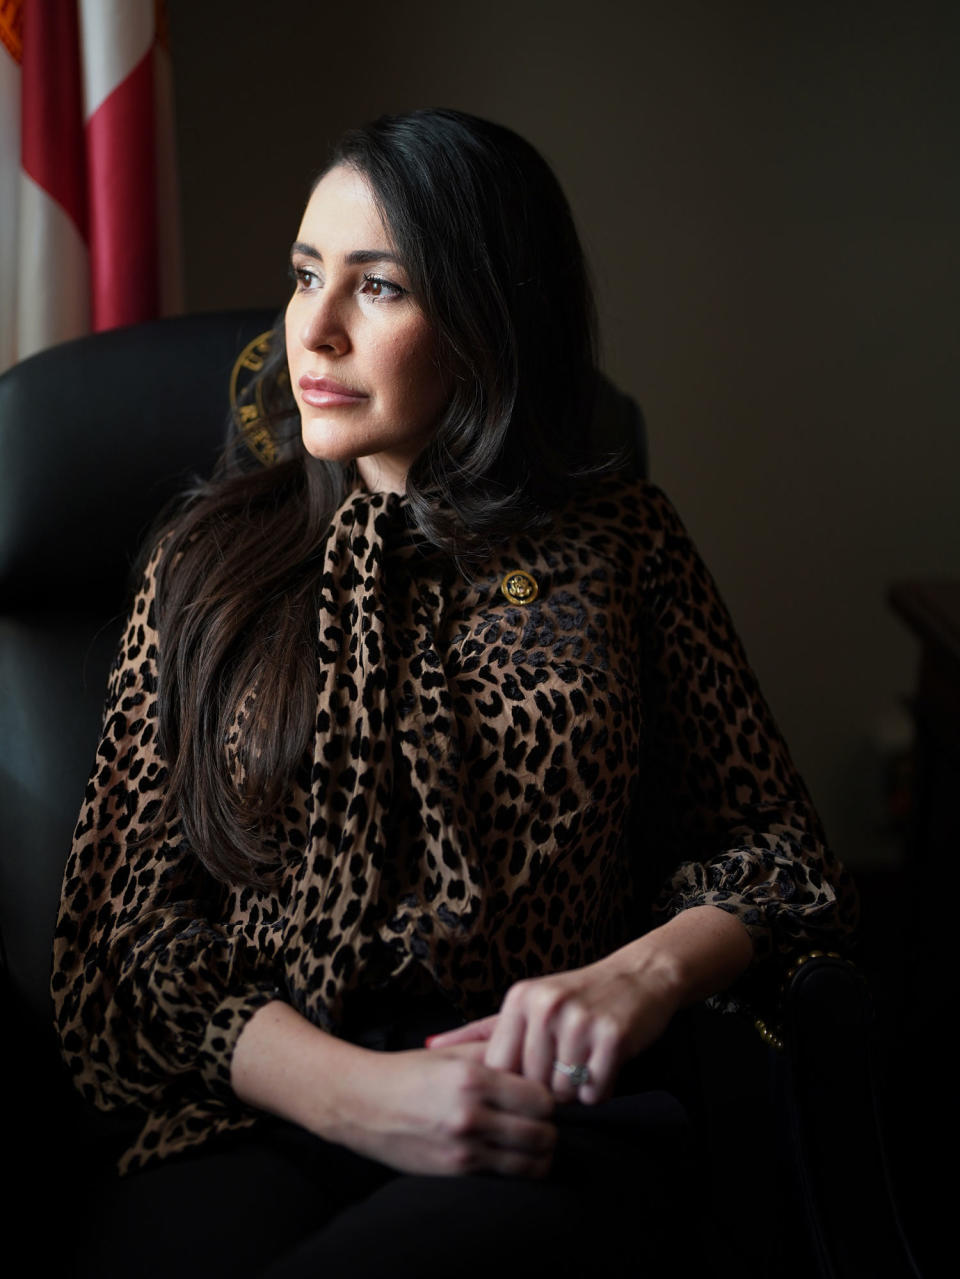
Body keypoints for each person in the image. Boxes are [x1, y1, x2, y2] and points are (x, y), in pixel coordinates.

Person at [52, 108, 857, 1277]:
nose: (312, 331)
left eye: (377, 288)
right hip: (250, 1104)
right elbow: (117, 936)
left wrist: (642, 972)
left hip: (540, 1097)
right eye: (304, 275)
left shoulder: (623, 543)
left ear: (486, 321)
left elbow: (781, 854)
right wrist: (358, 1097)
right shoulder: (207, 559)